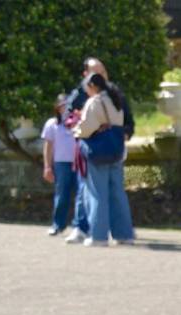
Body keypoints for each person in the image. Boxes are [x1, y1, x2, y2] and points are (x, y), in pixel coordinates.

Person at [62, 57, 134, 243]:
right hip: (116, 149)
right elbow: (124, 122)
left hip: (97, 150)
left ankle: (98, 235)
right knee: (118, 193)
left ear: (92, 86)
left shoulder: (94, 102)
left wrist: (77, 131)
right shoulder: (116, 99)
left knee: (96, 193)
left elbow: (86, 127)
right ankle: (124, 234)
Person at [40, 93, 80, 238]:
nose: (66, 108)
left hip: (79, 162)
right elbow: (48, 145)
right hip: (61, 163)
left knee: (82, 196)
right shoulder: (52, 124)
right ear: (57, 107)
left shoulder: (79, 121)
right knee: (62, 195)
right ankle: (58, 225)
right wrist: (47, 166)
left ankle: (81, 226)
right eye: (63, 105)